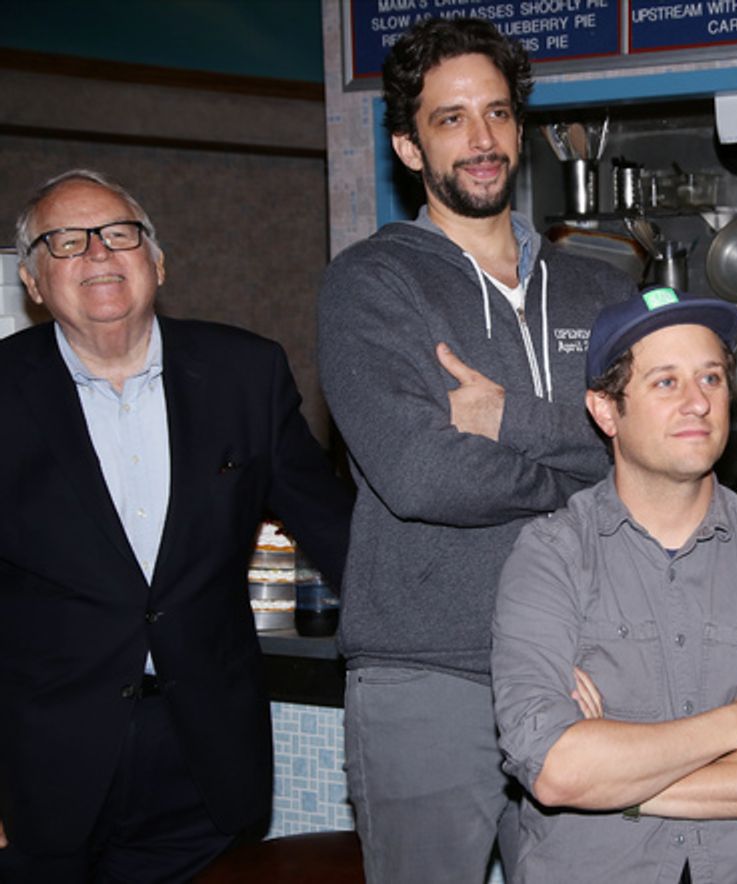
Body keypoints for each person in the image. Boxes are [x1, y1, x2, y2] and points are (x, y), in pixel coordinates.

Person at [317, 16, 638, 883]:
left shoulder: (602, 289)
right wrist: (589, 467)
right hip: (432, 672)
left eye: (496, 113)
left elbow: (660, 454)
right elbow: (421, 474)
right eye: (450, 118)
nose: (481, 139)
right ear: (408, 146)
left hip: (588, 667)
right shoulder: (373, 284)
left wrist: (509, 420)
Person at [0, 169, 353, 883]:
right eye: (65, 242)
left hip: (202, 764)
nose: (98, 252)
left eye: (119, 234)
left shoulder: (244, 374)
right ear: (33, 283)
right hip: (39, 769)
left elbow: (343, 534)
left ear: (156, 261)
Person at [491, 286, 737, 884]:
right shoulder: (551, 556)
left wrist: (621, 783)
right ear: (606, 411)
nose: (698, 403)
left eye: (712, 378)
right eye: (666, 382)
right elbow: (555, 768)